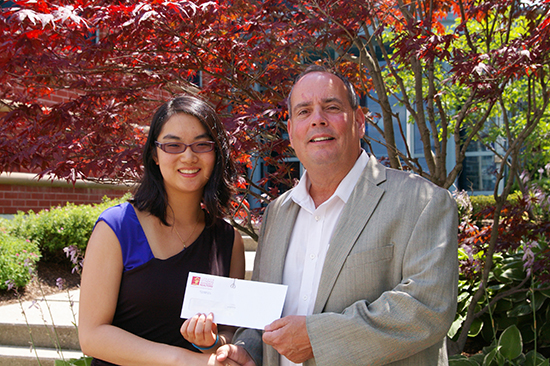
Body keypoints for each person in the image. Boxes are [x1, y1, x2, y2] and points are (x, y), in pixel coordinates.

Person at [216, 65, 458, 366]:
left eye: (331, 107)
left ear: (358, 122)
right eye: (304, 112)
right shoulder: (277, 214)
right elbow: (265, 314)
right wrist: (248, 349)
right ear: (291, 131)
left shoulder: (422, 203)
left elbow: (426, 309)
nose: (317, 119)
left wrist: (316, 338)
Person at [79, 95, 246, 366]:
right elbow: (92, 336)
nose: (188, 156)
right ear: (155, 155)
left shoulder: (228, 241)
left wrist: (213, 342)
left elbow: (229, 331)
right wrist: (183, 359)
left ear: (217, 153)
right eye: (173, 145)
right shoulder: (117, 228)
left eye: (202, 144)